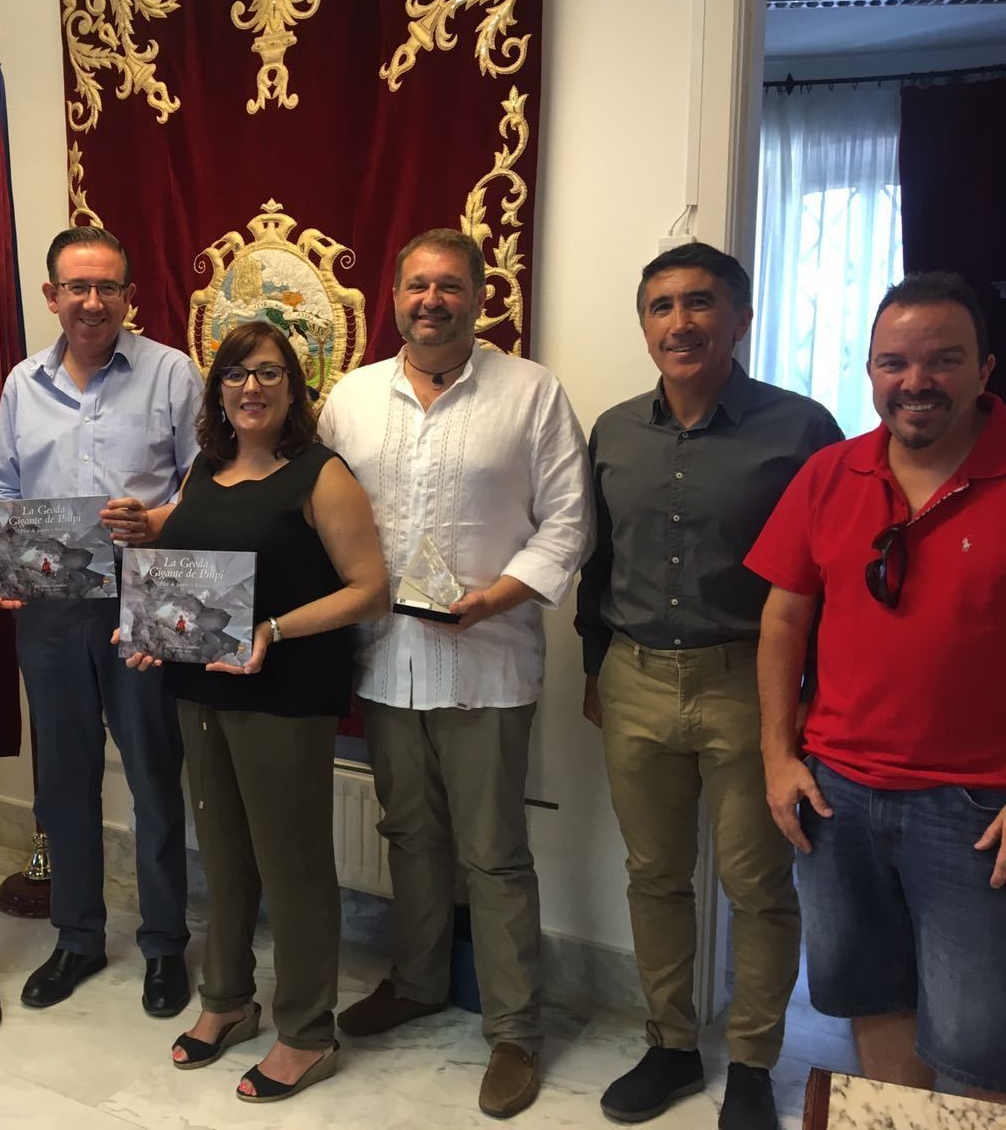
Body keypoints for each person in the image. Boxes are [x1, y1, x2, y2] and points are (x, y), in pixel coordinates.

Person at [319, 228, 592, 1118]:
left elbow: (567, 524)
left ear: (482, 296)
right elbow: (314, 509)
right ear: (393, 297)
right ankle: (419, 979)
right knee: (409, 834)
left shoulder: (531, 393)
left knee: (495, 855)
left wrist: (498, 597)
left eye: (449, 285)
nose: (430, 300)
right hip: (385, 663)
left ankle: (515, 1030)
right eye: (415, 286)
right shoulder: (353, 398)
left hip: (486, 661)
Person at [575, 243, 842, 1129]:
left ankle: (757, 1064)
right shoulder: (613, 429)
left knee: (756, 884)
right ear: (644, 324)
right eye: (661, 307)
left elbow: (831, 579)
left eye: (699, 304)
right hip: (635, 678)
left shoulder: (802, 430)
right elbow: (595, 562)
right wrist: (592, 669)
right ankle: (672, 1046)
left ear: (740, 320)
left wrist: (807, 701)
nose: (679, 323)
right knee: (653, 875)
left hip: (748, 688)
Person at [748, 272, 1006, 1105]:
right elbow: (784, 623)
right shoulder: (830, 474)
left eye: (943, 360)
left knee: (976, 1038)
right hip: (838, 796)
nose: (916, 382)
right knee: (870, 999)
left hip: (974, 808)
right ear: (869, 373)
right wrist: (778, 757)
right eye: (893, 362)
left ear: (985, 368)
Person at [123, 320, 387, 1102]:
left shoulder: (320, 474)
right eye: (236, 373)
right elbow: (178, 548)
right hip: (200, 689)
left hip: (283, 695)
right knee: (224, 855)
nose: (251, 387)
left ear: (295, 387)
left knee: (293, 863)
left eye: (269, 373)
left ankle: (307, 1031)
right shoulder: (206, 469)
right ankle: (227, 1000)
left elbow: (370, 589)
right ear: (218, 388)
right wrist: (144, 616)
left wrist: (273, 630)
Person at [0, 226, 201, 1017]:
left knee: (151, 779)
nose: (91, 300)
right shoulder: (20, 384)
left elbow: (203, 484)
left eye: (107, 286)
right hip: (48, 609)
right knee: (63, 784)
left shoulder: (172, 373)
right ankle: (76, 938)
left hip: (145, 601)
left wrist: (159, 520)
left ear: (127, 296)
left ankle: (165, 946)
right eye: (76, 287)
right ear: (52, 296)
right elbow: (3, 486)